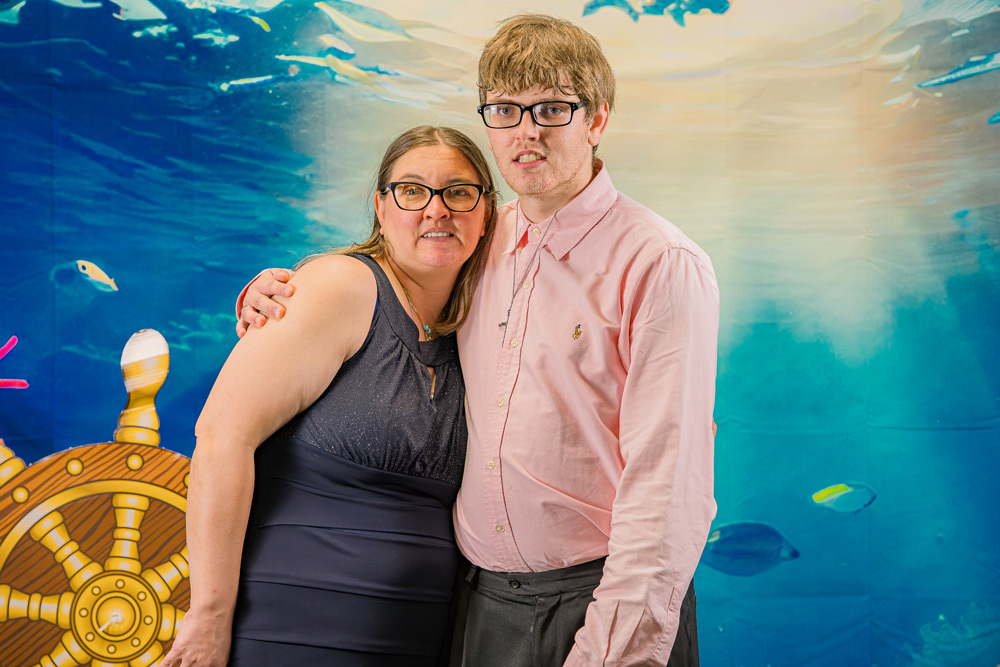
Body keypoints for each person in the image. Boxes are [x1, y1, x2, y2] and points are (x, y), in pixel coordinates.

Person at [237, 14, 719, 667]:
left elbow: (668, 488)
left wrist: (613, 651)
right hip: (479, 604)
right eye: (505, 110)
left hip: (602, 602)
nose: (526, 131)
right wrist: (274, 294)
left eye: (552, 109)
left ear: (597, 119)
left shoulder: (660, 263)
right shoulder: (476, 238)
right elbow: (385, 283)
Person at [160, 125, 498, 667]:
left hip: (415, 643)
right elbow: (221, 438)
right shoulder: (340, 287)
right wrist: (209, 615)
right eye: (412, 191)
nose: (436, 209)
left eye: (458, 192)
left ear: (487, 212)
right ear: (381, 209)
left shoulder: (482, 324)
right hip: (286, 633)